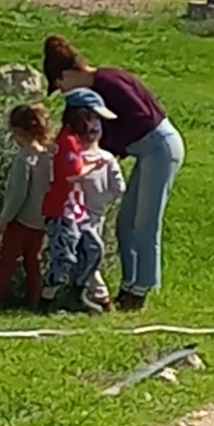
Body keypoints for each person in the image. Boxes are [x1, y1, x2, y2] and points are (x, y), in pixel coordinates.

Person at [42, 36, 185, 311]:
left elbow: (142, 119)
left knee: (145, 223)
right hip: (148, 151)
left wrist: (107, 147)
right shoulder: (99, 86)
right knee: (126, 222)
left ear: (67, 75)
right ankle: (128, 286)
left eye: (60, 85)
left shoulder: (108, 81)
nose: (63, 91)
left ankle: (140, 290)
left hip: (160, 147)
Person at [40, 88, 115, 315]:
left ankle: (78, 292)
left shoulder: (74, 142)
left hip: (76, 207)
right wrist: (95, 166)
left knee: (93, 248)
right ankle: (46, 300)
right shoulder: (68, 141)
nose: (94, 125)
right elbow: (72, 175)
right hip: (62, 209)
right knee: (64, 256)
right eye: (91, 118)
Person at [0, 104, 51, 309]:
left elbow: (18, 193)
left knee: (7, 261)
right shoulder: (48, 157)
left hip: (21, 220)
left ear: (18, 132)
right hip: (41, 219)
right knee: (33, 262)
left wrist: (5, 217)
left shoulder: (23, 159)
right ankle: (35, 298)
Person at [78, 112, 126, 313]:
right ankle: (84, 294)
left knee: (87, 257)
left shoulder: (78, 159)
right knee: (88, 255)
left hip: (80, 214)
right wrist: (106, 200)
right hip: (97, 213)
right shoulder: (107, 159)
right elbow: (119, 187)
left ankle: (102, 298)